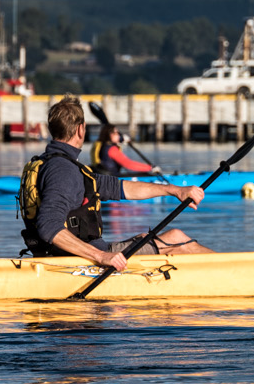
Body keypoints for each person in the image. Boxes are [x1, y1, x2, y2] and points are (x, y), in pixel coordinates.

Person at [21, 96, 212, 271]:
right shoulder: (63, 170)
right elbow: (48, 226)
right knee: (180, 241)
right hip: (85, 261)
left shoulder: (59, 165)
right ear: (81, 129)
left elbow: (122, 188)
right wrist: (101, 256)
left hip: (83, 254)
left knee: (158, 237)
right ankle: (240, 274)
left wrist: (174, 190)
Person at [89, 123, 157, 180]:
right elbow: (128, 164)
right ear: (110, 135)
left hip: (108, 177)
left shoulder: (103, 146)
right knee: (147, 175)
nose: (119, 135)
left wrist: (121, 140)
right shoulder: (112, 149)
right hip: (113, 178)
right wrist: (150, 168)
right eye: (116, 133)